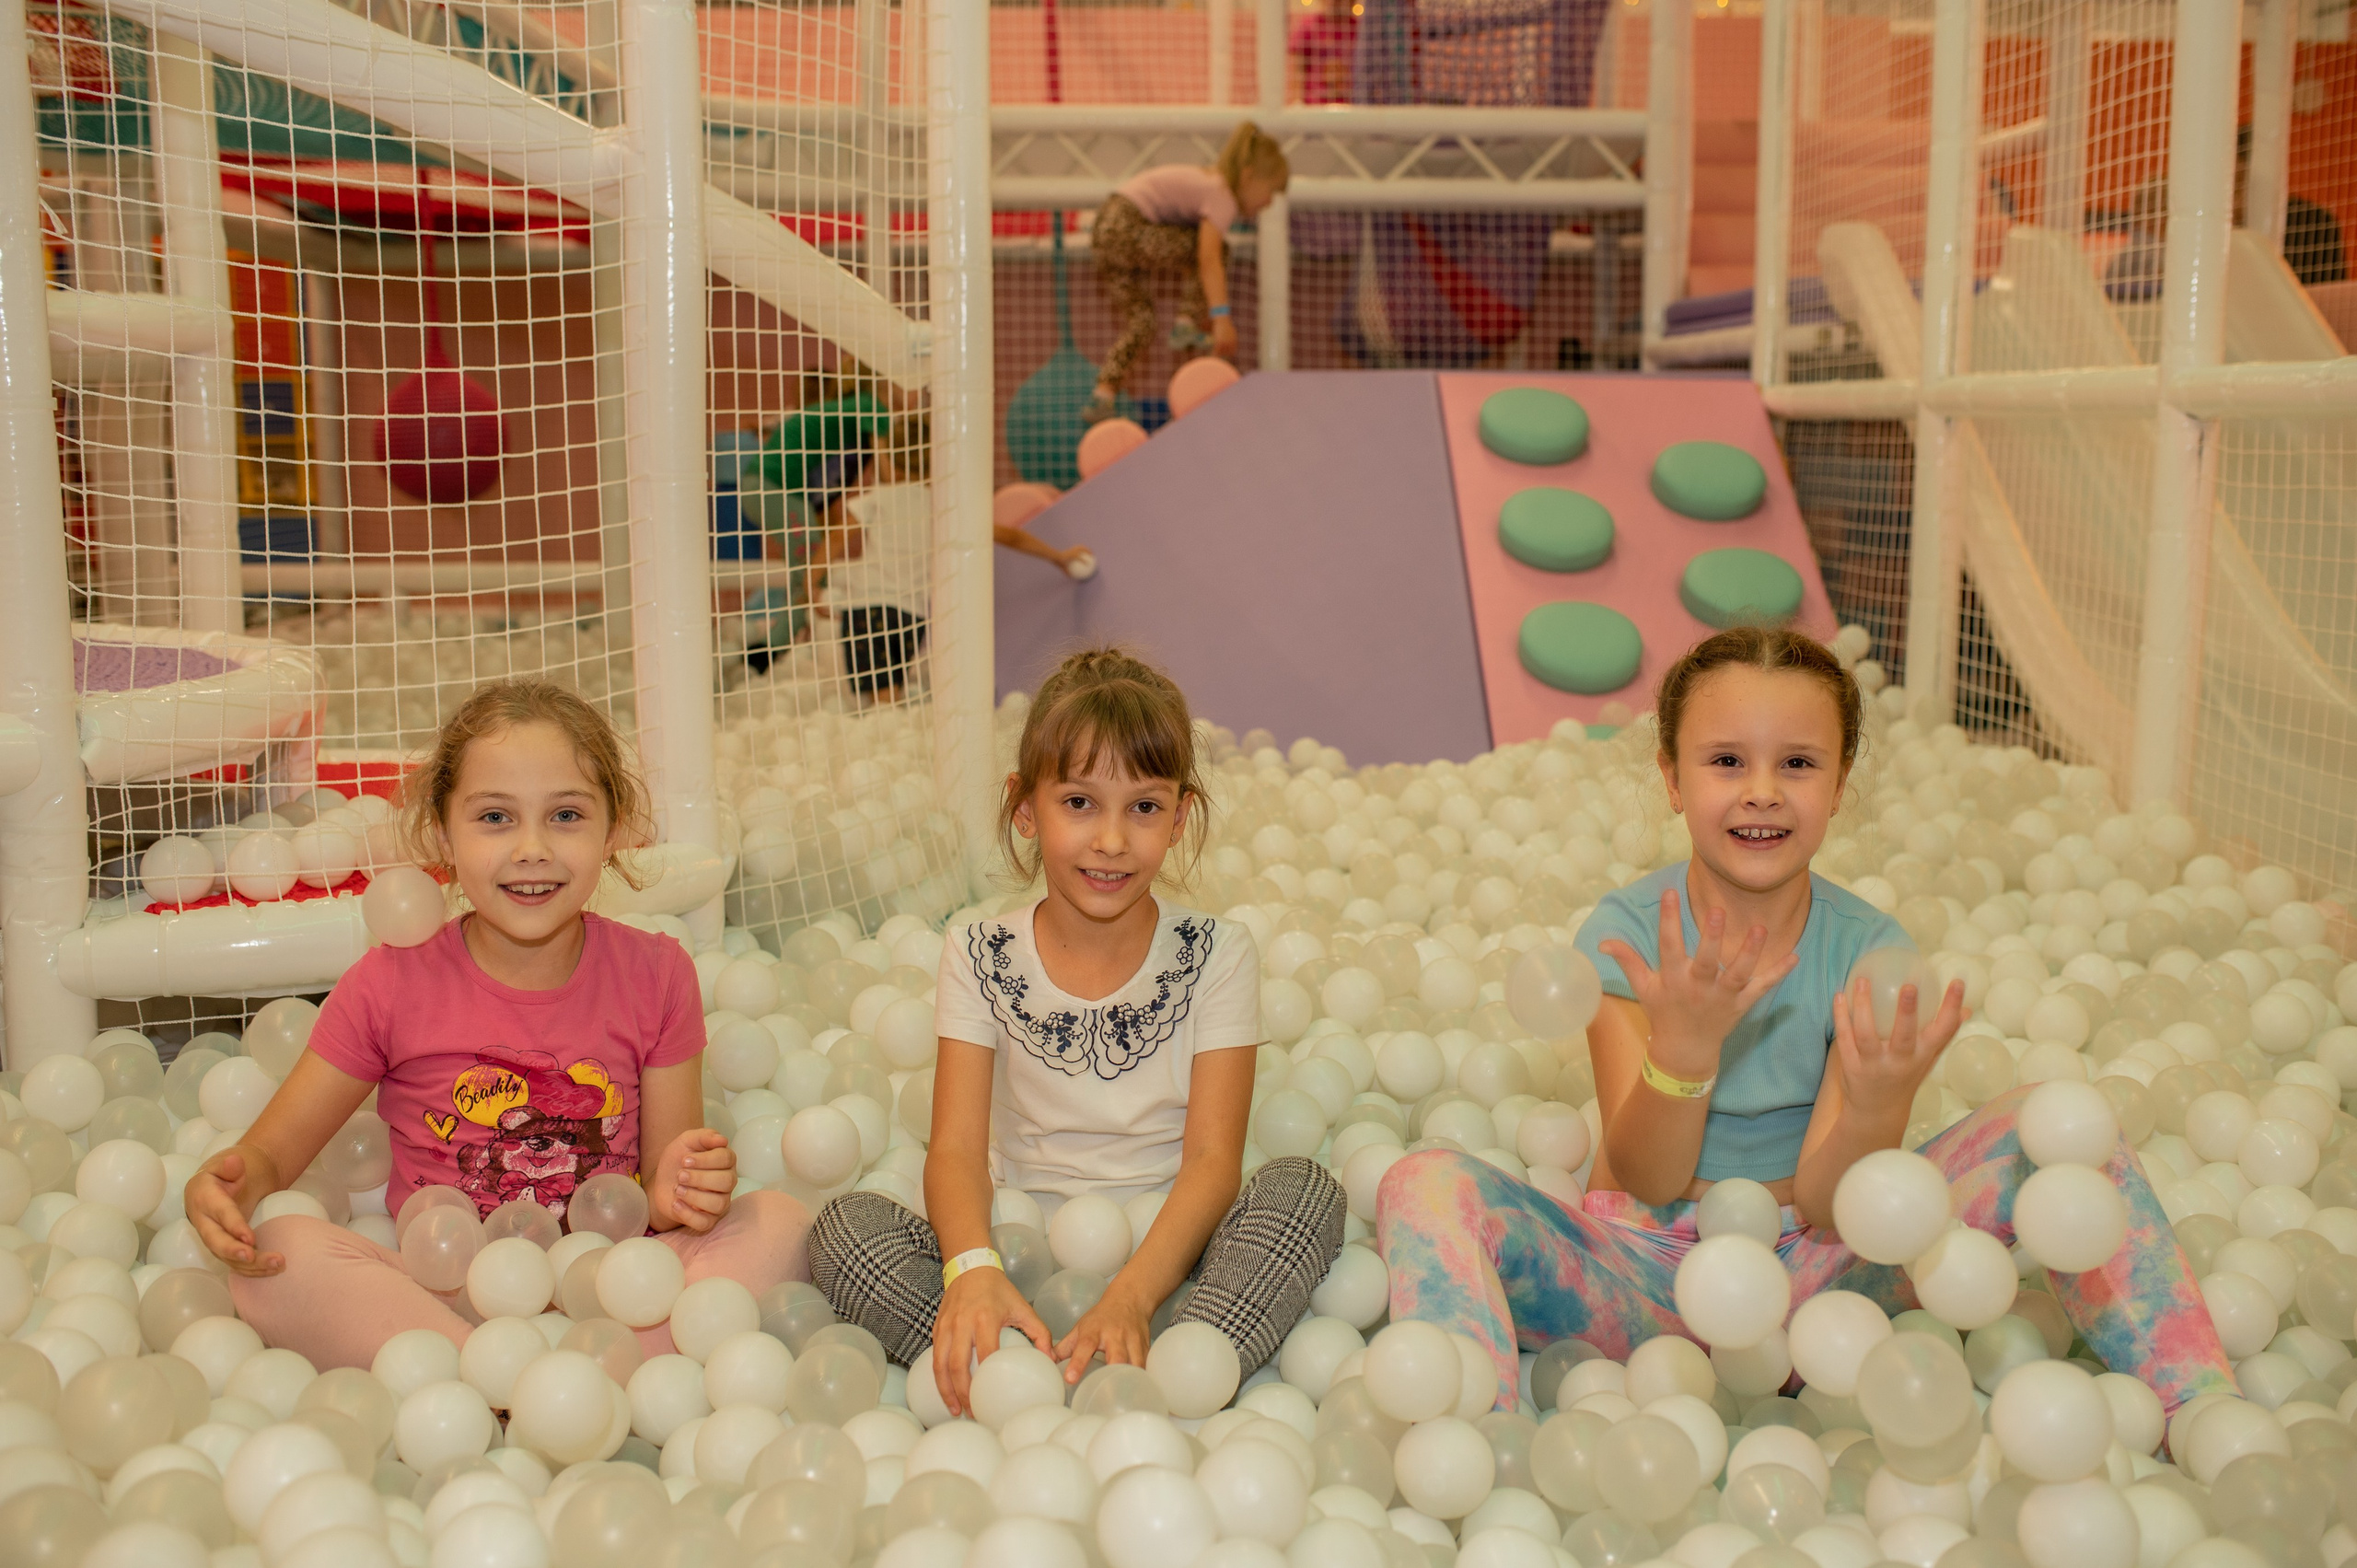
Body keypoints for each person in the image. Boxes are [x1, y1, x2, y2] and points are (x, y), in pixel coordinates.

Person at [1376, 627, 2236, 1415]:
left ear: (1838, 785)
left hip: (1823, 1288)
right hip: (1641, 1281)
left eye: (1797, 763)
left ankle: (2201, 1413)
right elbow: (1645, 1173)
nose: (1762, 792)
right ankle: (1469, 1441)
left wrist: (1876, 1104)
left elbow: (1837, 1204)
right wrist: (1686, 1049)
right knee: (1425, 1181)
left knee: (2063, 1124)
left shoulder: (1869, 949)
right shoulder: (1629, 935)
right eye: (1726, 761)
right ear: (1672, 779)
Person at [186, 679, 812, 1368]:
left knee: (780, 1222)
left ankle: (532, 1379)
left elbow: (664, 1194)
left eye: (566, 815)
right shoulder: (391, 983)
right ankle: (531, 1377)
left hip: (610, 1291)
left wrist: (680, 1190)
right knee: (280, 1254)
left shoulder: (657, 973)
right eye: (495, 817)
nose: (532, 847)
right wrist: (228, 1185)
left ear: (613, 829)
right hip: (441, 1294)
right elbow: (272, 1157)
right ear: (442, 833)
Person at [806, 647, 1344, 1415]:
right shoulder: (976, 949)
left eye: (1144, 808)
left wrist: (1132, 1296)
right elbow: (954, 1148)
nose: (1112, 839)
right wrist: (973, 1270)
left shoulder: (1218, 953)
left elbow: (1212, 1162)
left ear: (1180, 816)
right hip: (1022, 1256)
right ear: (1025, 807)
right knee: (844, 1228)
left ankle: (1143, 1358)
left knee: (1306, 1191)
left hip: (1171, 1269)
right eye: (1081, 803)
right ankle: (1036, 1357)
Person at [1083, 122, 1290, 424]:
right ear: (1247, 177)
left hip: (1105, 235)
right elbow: (1208, 259)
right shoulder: (1222, 192)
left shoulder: (1210, 184)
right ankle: (1185, 323)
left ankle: (1103, 393)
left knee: (1143, 322)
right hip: (1126, 223)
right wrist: (1221, 318)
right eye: (1270, 191)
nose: (1269, 203)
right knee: (1217, 250)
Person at [816, 414, 933, 704]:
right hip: (912, 614)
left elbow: (837, 538)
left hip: (868, 607)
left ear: (889, 460)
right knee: (891, 689)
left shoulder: (880, 497)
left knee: (880, 696)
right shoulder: (939, 505)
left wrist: (811, 583)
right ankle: (893, 721)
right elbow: (1007, 535)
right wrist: (1046, 553)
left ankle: (889, 728)